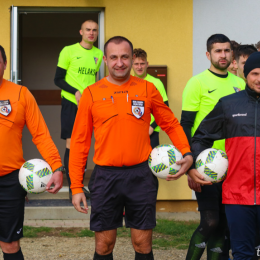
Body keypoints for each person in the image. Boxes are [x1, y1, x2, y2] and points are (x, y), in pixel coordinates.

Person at [69, 36, 193, 260]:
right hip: (106, 177)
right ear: (105, 59)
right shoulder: (91, 93)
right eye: (114, 57)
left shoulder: (147, 89)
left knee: (142, 244)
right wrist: (76, 186)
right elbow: (80, 141)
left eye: (125, 57)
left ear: (132, 58)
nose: (120, 62)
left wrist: (186, 152)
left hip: (141, 175)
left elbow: (170, 123)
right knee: (104, 245)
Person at [189, 51, 260, 260]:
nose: (259, 78)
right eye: (255, 73)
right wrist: (198, 167)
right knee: (242, 254)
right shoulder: (228, 104)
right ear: (245, 75)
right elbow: (201, 137)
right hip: (238, 196)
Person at [181, 34, 245, 260]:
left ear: (232, 54)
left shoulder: (240, 84)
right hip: (204, 164)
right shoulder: (197, 83)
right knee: (210, 221)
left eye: (227, 51)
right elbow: (185, 125)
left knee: (225, 222)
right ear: (208, 54)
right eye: (218, 51)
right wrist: (190, 164)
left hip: (234, 165)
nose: (223, 55)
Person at [0, 45, 64, 260]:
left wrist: (56, 166)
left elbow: (41, 135)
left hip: (9, 182)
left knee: (10, 245)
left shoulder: (20, 93)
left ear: (5, 64)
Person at [54, 20, 103, 201]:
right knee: (72, 144)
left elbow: (94, 81)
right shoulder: (68, 50)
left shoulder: (98, 54)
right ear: (81, 32)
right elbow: (57, 79)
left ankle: (82, 184)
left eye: (94, 30)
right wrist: (74, 92)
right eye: (88, 30)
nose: (91, 33)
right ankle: (72, 187)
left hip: (90, 104)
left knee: (86, 145)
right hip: (71, 103)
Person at [132, 48, 168, 148]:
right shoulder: (127, 84)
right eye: (136, 64)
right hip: (132, 133)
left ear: (147, 64)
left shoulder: (156, 83)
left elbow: (165, 109)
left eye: (142, 63)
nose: (139, 67)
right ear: (131, 64)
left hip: (151, 133)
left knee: (151, 163)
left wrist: (152, 127)